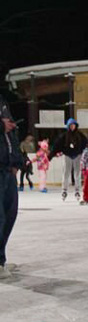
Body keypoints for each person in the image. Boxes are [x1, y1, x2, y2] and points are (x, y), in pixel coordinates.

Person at [0, 94, 23, 279]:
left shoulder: (3, 101)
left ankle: (1, 259)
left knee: (9, 215)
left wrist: (17, 161)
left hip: (8, 170)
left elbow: (12, 134)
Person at [51, 117, 87, 201]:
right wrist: (54, 153)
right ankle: (64, 190)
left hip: (77, 156)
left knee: (77, 174)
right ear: (68, 126)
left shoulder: (80, 135)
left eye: (73, 125)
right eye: (70, 125)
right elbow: (58, 145)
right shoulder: (64, 135)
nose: (72, 127)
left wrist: (83, 152)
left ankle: (77, 190)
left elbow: (85, 143)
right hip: (67, 156)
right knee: (66, 174)